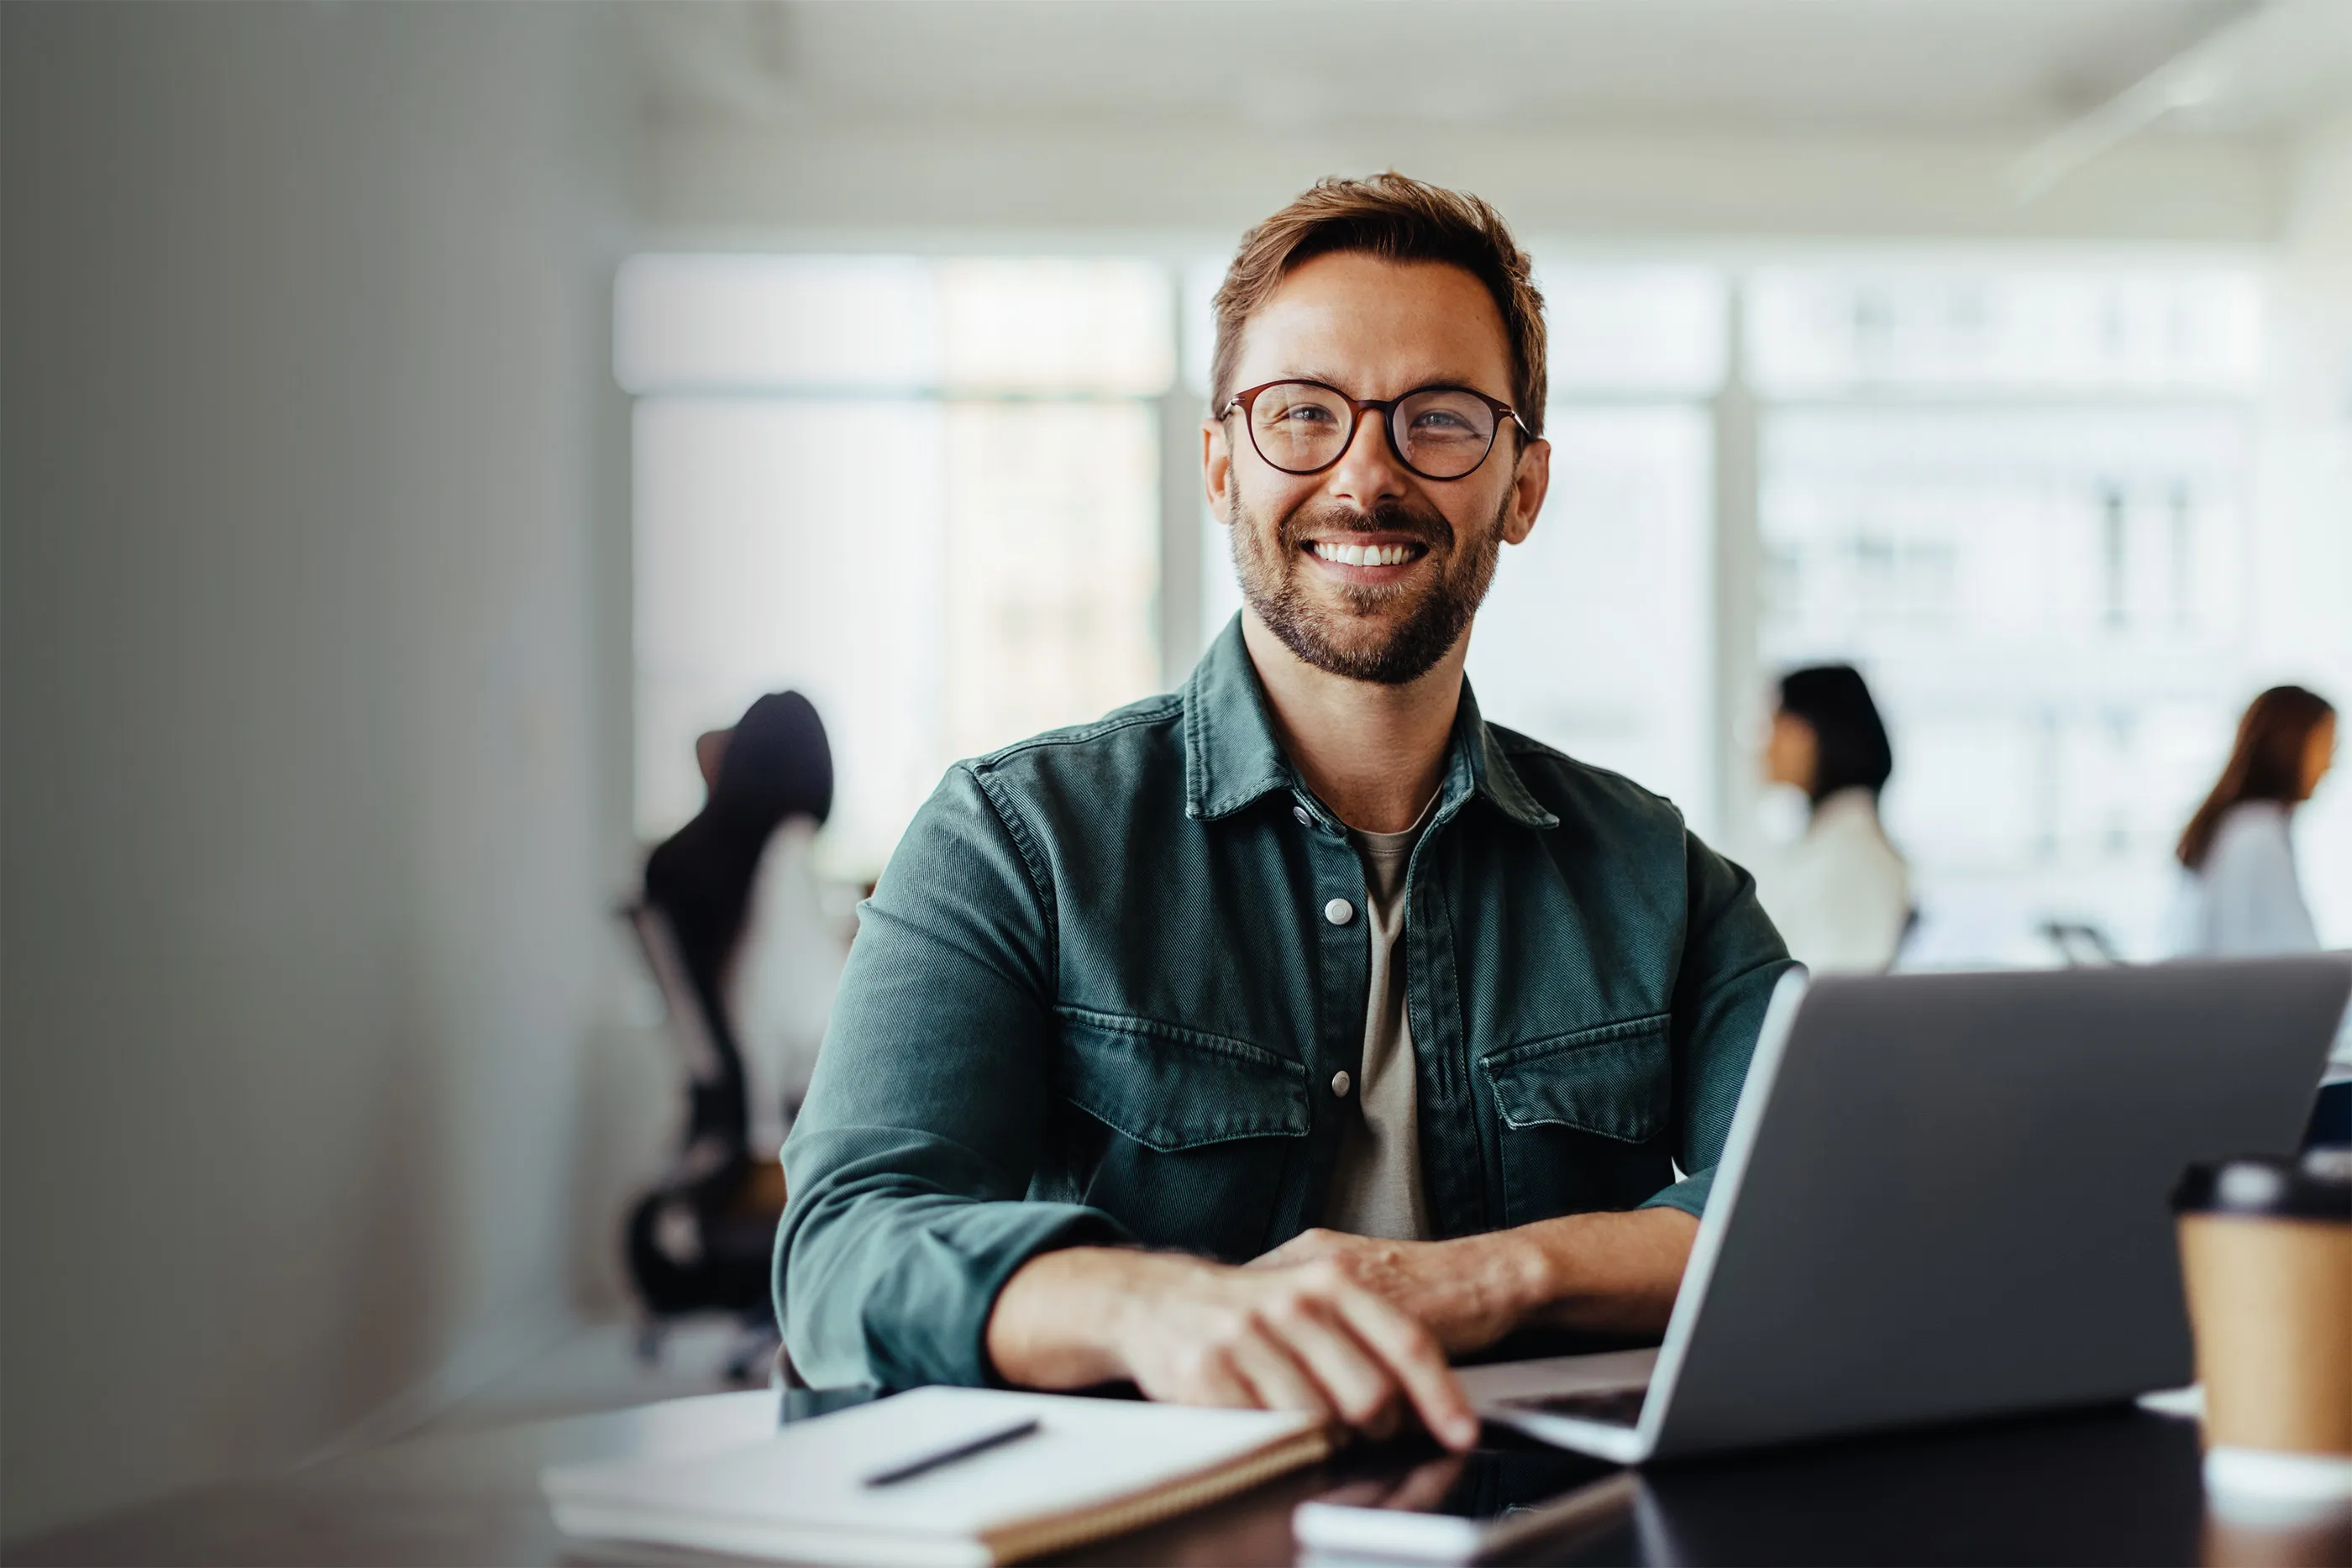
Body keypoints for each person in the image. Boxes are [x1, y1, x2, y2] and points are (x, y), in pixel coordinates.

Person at [778, 175, 1792, 1451]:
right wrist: (1149, 1303)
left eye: (1439, 419)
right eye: (1303, 413)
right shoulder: (1015, 838)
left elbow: (1820, 1201)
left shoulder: (1661, 878)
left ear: (1522, 486)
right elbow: (843, 1248)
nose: (1366, 476)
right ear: (1219, 464)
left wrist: (1485, 1275)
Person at [643, 690, 836, 1164]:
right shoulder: (786, 851)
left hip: (714, 1138)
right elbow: (811, 1019)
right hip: (778, 1143)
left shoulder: (682, 865)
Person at [1753, 665, 1912, 974]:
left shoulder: (1851, 855)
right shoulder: (1833, 838)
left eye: (1775, 724)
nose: (1764, 744)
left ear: (1813, 734)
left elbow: (1825, 995)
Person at [2166, 685, 2337, 957]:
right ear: (2291, 745)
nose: (2330, 765)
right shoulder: (2257, 835)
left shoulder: (2238, 826)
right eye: (2327, 747)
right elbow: (2297, 962)